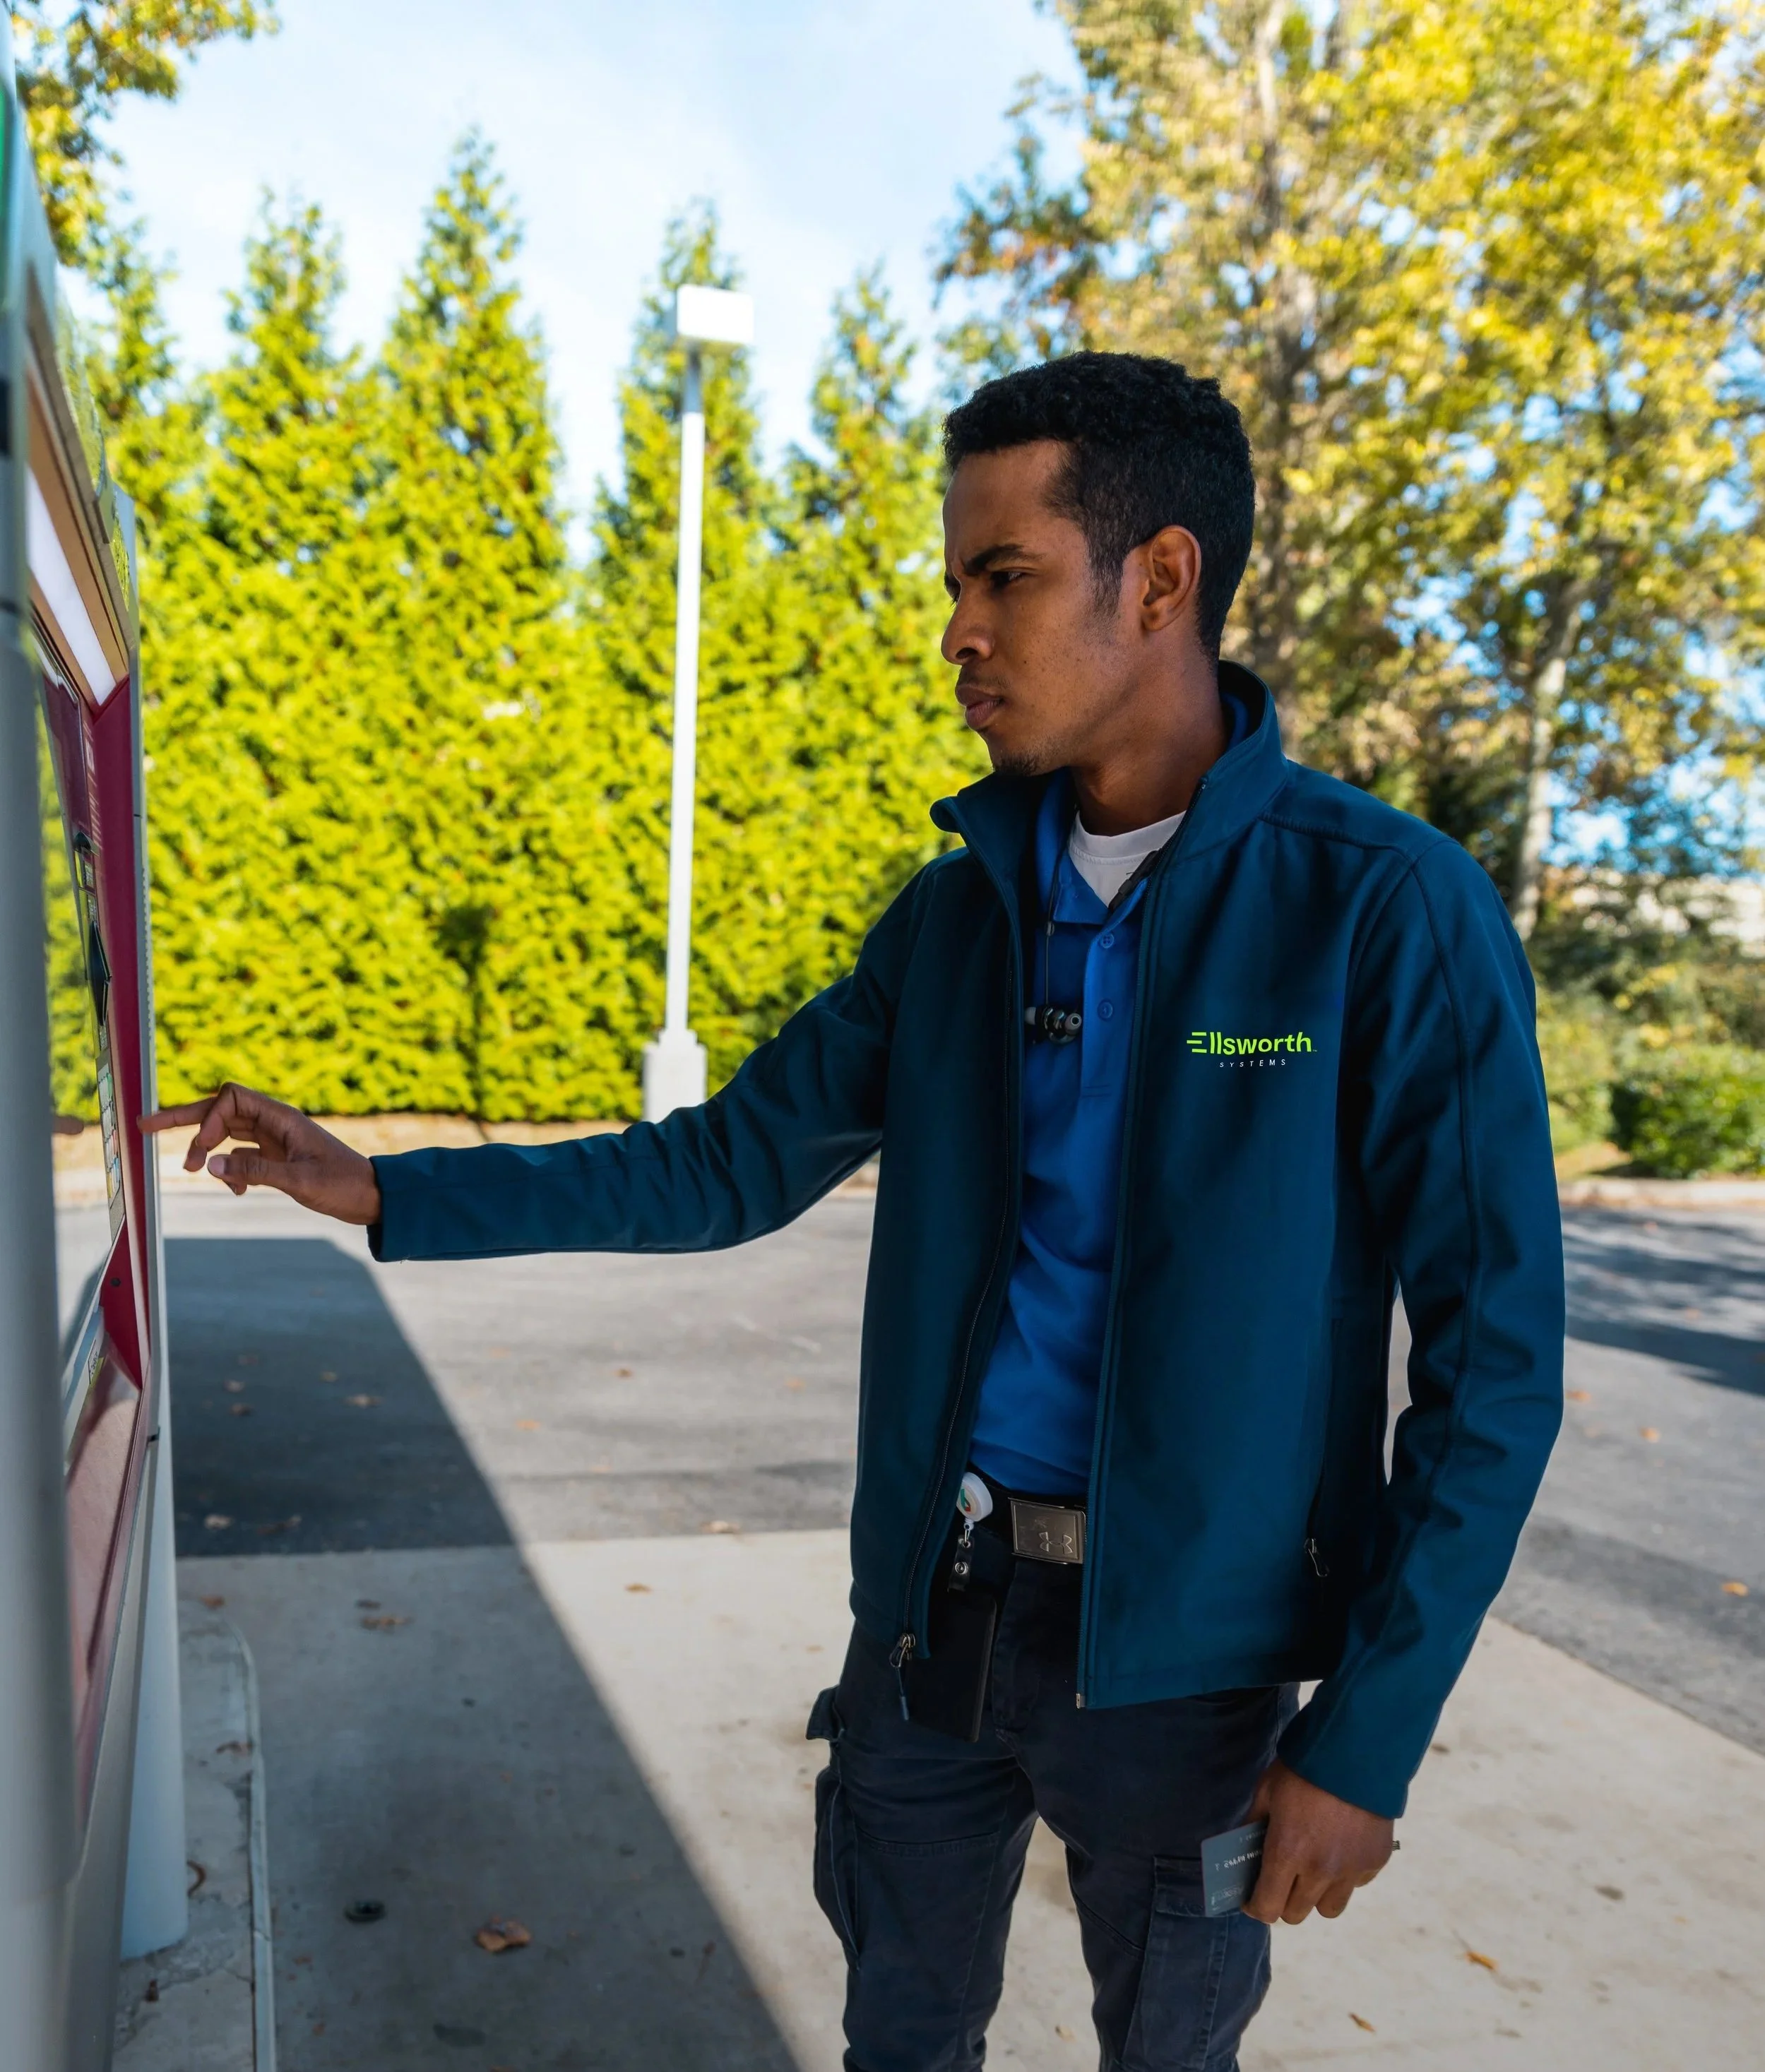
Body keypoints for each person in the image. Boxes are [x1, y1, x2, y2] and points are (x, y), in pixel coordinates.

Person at [146, 353, 1564, 2071]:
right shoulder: (957, 921)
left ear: (1164, 579)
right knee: (897, 2041)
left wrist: (1366, 1737)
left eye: (1006, 578)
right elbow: (721, 1161)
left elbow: (1493, 1371)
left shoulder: (1382, 912)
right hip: (929, 1625)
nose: (957, 631)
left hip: (1190, 1670)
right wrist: (379, 1185)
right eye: (954, 583)